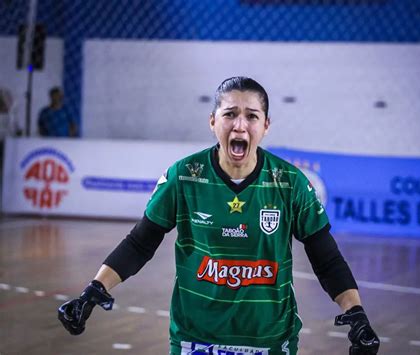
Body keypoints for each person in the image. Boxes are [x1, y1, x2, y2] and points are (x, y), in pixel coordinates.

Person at [58, 77, 380, 354]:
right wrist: (94, 290)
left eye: (252, 116)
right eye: (230, 114)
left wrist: (356, 314)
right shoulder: (184, 176)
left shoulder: (290, 183)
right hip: (195, 340)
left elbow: (326, 258)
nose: (240, 125)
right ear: (213, 121)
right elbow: (141, 242)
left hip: (269, 341)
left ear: (265, 126)